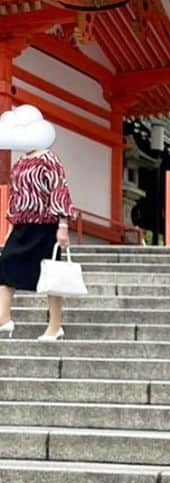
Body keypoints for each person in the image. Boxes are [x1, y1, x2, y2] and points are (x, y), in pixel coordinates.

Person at [0, 105, 74, 342]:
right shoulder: (20, 162)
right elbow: (16, 195)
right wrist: (10, 226)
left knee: (50, 276)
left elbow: (59, 189)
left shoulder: (49, 158)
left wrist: (63, 225)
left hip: (45, 225)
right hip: (22, 225)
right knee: (5, 267)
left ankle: (55, 326)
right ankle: (3, 318)